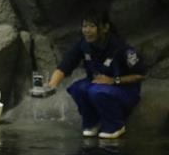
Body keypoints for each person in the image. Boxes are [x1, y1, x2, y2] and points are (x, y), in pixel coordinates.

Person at [47, 8, 146, 139]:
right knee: (77, 88)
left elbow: (141, 74)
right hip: (98, 85)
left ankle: (115, 125)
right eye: (84, 26)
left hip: (124, 90)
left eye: (92, 26)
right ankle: (93, 122)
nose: (87, 30)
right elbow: (65, 66)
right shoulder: (84, 45)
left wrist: (114, 80)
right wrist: (50, 86)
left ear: (105, 28)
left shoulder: (121, 48)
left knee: (97, 91)